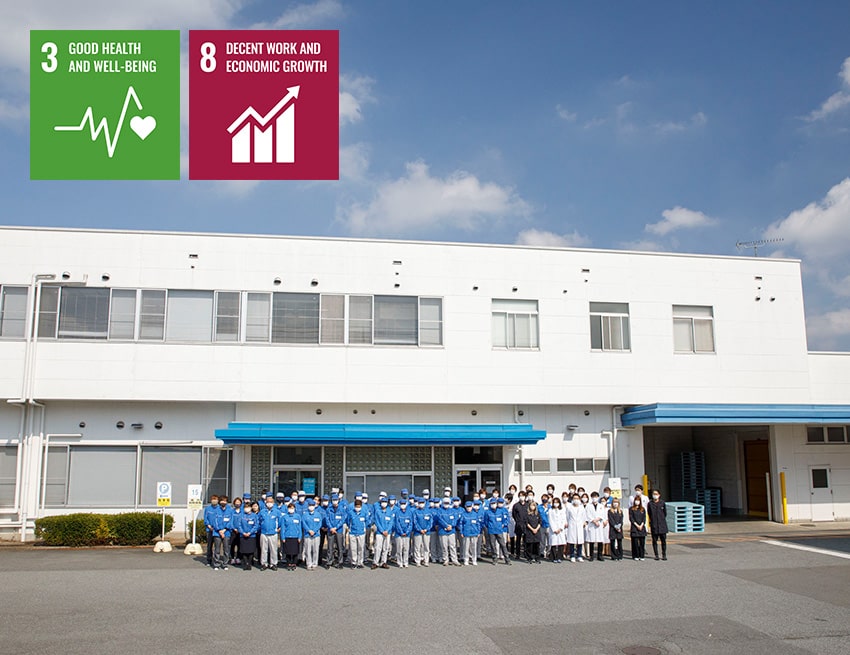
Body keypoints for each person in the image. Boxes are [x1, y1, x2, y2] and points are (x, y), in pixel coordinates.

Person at [211, 495, 234, 571]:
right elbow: (214, 522)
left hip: (226, 532)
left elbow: (231, 521)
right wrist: (219, 530)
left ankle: (225, 564)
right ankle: (216, 564)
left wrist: (224, 530)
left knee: (226, 549)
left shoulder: (230, 510)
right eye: (222, 501)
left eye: (225, 501)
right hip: (217, 533)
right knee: (217, 549)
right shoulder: (216, 510)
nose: (223, 502)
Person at [436, 497, 461, 566]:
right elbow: (440, 520)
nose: (446, 504)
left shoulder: (452, 511)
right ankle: (445, 560)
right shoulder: (439, 511)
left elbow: (455, 520)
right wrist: (446, 526)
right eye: (445, 503)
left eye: (447, 503)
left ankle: (454, 560)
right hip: (442, 531)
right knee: (444, 546)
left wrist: (451, 526)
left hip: (451, 531)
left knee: (452, 546)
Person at [346, 497, 370, 569]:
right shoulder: (351, 513)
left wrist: (363, 528)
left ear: (361, 506)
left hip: (361, 532)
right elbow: (348, 521)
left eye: (359, 507)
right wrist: (350, 528)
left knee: (360, 548)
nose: (358, 508)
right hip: (352, 532)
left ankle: (360, 562)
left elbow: (367, 521)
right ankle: (353, 562)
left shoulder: (364, 513)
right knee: (353, 548)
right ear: (354, 506)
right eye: (356, 506)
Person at [324, 493, 346, 569]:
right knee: (330, 547)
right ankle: (329, 561)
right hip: (330, 530)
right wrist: (331, 528)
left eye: (336, 500)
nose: (335, 501)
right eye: (333, 500)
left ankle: (340, 562)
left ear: (338, 500)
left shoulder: (342, 509)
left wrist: (336, 528)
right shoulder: (328, 509)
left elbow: (343, 519)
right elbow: (327, 519)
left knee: (340, 547)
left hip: (338, 530)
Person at [372, 496, 394, 569]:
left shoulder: (389, 512)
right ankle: (375, 562)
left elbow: (391, 522)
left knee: (386, 548)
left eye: (385, 502)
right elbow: (377, 522)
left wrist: (387, 530)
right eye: (382, 502)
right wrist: (382, 531)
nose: (384, 503)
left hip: (388, 532)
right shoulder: (378, 511)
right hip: (379, 532)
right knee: (378, 547)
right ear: (380, 503)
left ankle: (383, 562)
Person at [258, 496, 280, 571]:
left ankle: (273, 564)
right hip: (264, 533)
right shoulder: (262, 512)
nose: (269, 503)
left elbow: (280, 521)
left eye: (271, 502)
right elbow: (259, 521)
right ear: (265, 503)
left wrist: (278, 529)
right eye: (268, 502)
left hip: (273, 533)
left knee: (273, 549)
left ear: (273, 503)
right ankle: (264, 564)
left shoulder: (277, 512)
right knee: (264, 549)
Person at [585, 492, 607, 562]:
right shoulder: (588, 506)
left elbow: (602, 514)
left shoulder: (601, 506)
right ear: (591, 498)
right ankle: (591, 556)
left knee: (600, 540)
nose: (594, 498)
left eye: (596, 497)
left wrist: (598, 519)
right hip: (592, 524)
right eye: (593, 497)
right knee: (591, 541)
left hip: (599, 524)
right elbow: (587, 515)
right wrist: (594, 521)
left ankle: (599, 555)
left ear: (598, 497)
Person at [301, 499, 323, 571]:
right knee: (308, 550)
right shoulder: (305, 514)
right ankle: (309, 563)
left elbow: (319, 524)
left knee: (316, 550)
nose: (311, 507)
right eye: (310, 505)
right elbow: (303, 523)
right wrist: (309, 530)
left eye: (312, 505)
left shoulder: (318, 514)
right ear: (308, 506)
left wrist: (314, 531)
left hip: (316, 535)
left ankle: (315, 563)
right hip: (307, 534)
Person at [647, 489, 669, 561]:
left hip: (662, 525)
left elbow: (665, 513)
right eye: (654, 494)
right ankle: (656, 555)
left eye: (656, 494)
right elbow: (649, 513)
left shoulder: (662, 503)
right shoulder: (650, 503)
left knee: (663, 541)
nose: (655, 495)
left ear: (659, 495)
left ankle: (664, 554)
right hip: (654, 525)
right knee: (654, 541)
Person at [237, 502, 259, 570]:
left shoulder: (254, 516)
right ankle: (246, 563)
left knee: (251, 550)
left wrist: (250, 532)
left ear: (250, 508)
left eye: (248, 507)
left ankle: (249, 563)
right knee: (243, 550)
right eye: (245, 507)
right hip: (243, 535)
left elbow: (256, 525)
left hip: (251, 536)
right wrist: (243, 532)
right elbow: (239, 525)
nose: (247, 508)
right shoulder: (241, 515)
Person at [458, 501, 482, 565]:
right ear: (465, 507)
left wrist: (478, 532)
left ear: (472, 507)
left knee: (474, 547)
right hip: (466, 533)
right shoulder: (463, 514)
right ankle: (466, 559)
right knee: (466, 547)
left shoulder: (475, 514)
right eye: (467, 507)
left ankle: (474, 559)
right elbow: (461, 524)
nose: (469, 508)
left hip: (474, 533)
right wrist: (461, 532)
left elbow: (478, 524)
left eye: (470, 507)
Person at [281, 502, 302, 570]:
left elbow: (299, 527)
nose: (291, 509)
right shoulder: (284, 517)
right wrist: (283, 537)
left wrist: (300, 536)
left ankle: (294, 563)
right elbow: (283, 528)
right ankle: (289, 563)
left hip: (295, 536)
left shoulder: (297, 516)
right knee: (288, 551)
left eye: (292, 508)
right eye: (290, 508)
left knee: (295, 551)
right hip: (287, 536)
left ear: (294, 509)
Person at [393, 498, 414, 567]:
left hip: (407, 534)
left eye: (404, 504)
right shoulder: (397, 512)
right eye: (401, 504)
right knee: (399, 549)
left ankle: (405, 562)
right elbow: (397, 523)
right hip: (399, 534)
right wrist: (401, 532)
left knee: (406, 548)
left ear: (406, 504)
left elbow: (411, 523)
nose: (403, 505)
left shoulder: (409, 512)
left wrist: (407, 532)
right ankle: (400, 562)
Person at [565, 494, 586, 562]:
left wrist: (584, 522)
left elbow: (584, 516)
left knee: (579, 541)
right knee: (572, 541)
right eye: (574, 498)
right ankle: (572, 555)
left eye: (577, 498)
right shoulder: (569, 507)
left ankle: (579, 555)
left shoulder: (581, 507)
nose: (576, 500)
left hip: (579, 525)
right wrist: (567, 523)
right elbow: (567, 516)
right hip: (572, 525)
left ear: (579, 499)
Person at [412, 496, 433, 566]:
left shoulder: (428, 511)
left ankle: (426, 560)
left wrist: (426, 529)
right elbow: (415, 522)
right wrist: (420, 529)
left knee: (426, 547)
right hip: (418, 532)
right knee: (417, 547)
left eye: (422, 502)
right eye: (420, 503)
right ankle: (418, 561)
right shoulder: (415, 512)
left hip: (427, 532)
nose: (421, 504)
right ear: (418, 503)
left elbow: (430, 522)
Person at [547, 496, 567, 562]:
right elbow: (550, 520)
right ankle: (553, 557)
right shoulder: (550, 510)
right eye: (554, 502)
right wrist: (554, 529)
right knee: (553, 544)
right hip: (553, 530)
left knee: (561, 543)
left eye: (557, 502)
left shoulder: (562, 510)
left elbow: (563, 519)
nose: (556, 504)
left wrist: (560, 528)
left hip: (560, 530)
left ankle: (559, 557)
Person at [511, 491, 528, 560]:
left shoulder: (527, 505)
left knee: (526, 540)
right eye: (520, 496)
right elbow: (514, 514)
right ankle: (517, 554)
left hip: (526, 524)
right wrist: (517, 520)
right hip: (518, 524)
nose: (522, 497)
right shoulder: (516, 505)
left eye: (523, 496)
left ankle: (526, 554)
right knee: (518, 540)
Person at [629, 496, 647, 561]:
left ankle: (642, 555)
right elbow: (631, 518)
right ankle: (635, 555)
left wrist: (641, 525)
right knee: (635, 542)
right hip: (634, 527)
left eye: (638, 500)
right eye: (636, 500)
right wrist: (637, 525)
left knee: (642, 543)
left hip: (642, 527)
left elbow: (644, 518)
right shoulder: (631, 509)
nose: (637, 502)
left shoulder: (642, 509)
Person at [203, 494, 219, 566]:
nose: (214, 501)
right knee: (209, 545)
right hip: (209, 530)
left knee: (217, 546)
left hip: (217, 530)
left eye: (215, 499)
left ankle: (216, 560)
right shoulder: (208, 508)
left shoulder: (219, 508)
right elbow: (205, 518)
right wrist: (208, 525)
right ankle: (209, 560)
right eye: (213, 499)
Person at [229, 496, 243, 566]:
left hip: (240, 531)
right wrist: (234, 528)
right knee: (232, 545)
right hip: (233, 531)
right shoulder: (232, 511)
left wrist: (240, 529)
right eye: (236, 502)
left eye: (239, 502)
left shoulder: (242, 511)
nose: (237, 503)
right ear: (234, 503)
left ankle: (238, 558)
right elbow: (230, 521)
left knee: (240, 545)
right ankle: (232, 558)